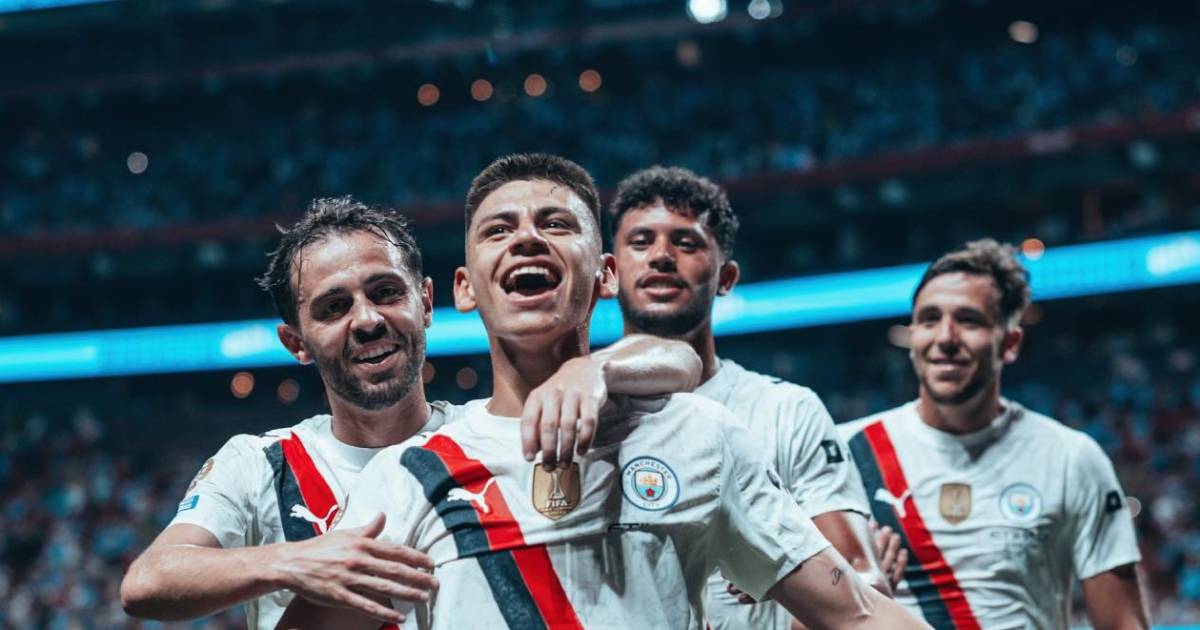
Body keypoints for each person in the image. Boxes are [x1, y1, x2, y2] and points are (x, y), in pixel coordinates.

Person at [277, 153, 928, 629]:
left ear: (607, 274)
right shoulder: (409, 476)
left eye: (556, 223)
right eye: (498, 230)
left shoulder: (700, 433)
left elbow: (857, 613)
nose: (526, 238)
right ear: (465, 288)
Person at [119, 197, 704, 629]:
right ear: (296, 343)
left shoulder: (488, 436)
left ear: (425, 302)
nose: (367, 320)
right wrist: (294, 561)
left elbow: (679, 360)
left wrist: (594, 368)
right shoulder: (259, 464)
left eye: (386, 292)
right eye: (333, 307)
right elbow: (149, 581)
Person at [608, 165, 894, 630]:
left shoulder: (786, 410)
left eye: (686, 243)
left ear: (726, 277)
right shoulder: (573, 410)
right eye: (641, 242)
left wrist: (788, 575)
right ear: (609, 272)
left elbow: (863, 587)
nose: (661, 256)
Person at [839, 239, 1150, 629]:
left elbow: (1123, 623)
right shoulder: (843, 453)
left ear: (1010, 343)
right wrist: (850, 595)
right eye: (929, 319)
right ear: (912, 336)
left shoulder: (1070, 457)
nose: (945, 337)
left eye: (968, 321)